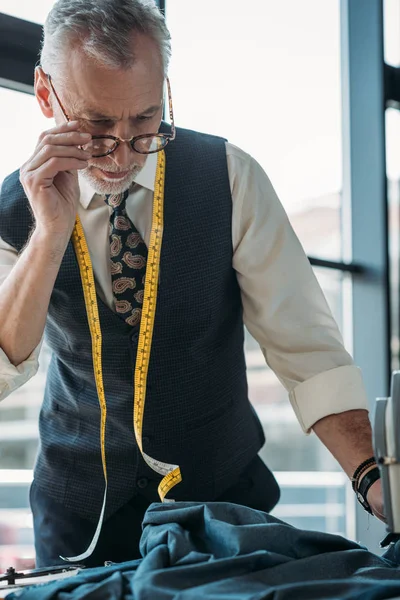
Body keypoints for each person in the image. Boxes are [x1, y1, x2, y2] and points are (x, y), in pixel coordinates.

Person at [0, 0, 384, 568]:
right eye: (98, 127)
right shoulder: (13, 209)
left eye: (145, 121)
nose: (123, 154)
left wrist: (372, 478)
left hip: (223, 501)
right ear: (45, 93)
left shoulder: (231, 178)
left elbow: (307, 351)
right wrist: (50, 235)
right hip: (78, 514)